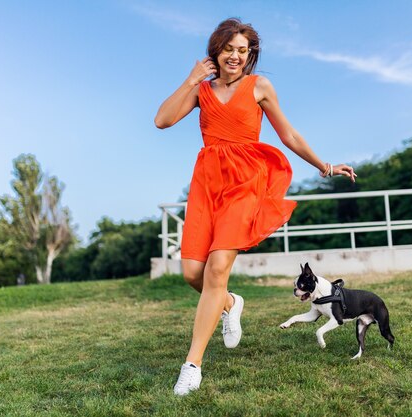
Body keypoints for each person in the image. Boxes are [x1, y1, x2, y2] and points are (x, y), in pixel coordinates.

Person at [154, 18, 356, 396]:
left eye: (242, 51)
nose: (235, 56)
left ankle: (192, 365)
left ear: (250, 55)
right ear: (215, 50)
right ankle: (231, 303)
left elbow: (288, 133)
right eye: (229, 49)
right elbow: (162, 120)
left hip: (246, 181)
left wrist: (324, 166)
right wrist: (190, 79)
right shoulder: (201, 90)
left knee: (217, 268)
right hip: (207, 184)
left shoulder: (259, 86)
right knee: (193, 274)